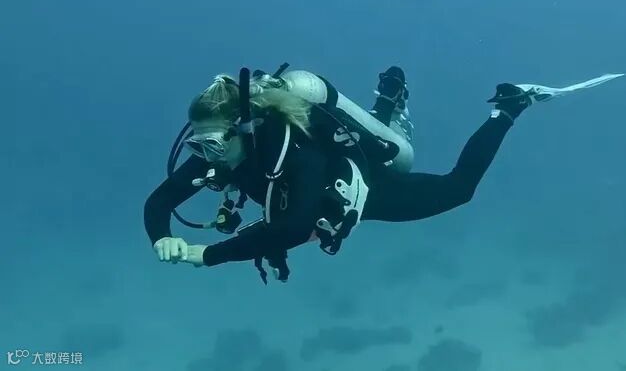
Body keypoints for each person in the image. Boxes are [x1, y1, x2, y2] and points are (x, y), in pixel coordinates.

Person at [143, 66, 623, 283]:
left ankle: (510, 106)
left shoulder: (297, 152)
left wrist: (208, 255)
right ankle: (388, 102)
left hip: (366, 188)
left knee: (458, 189)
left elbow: (291, 228)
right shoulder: (222, 152)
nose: (204, 156)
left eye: (212, 143)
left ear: (243, 128)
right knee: (391, 144)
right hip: (326, 189)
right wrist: (161, 236)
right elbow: (159, 201)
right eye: (198, 145)